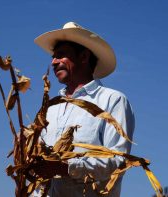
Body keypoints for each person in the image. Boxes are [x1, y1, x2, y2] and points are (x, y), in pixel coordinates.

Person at [33, 22, 135, 197]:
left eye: (61, 55)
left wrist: (66, 168)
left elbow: (118, 161)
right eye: (53, 57)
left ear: (83, 56)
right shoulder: (50, 108)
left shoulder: (112, 100)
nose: (54, 62)